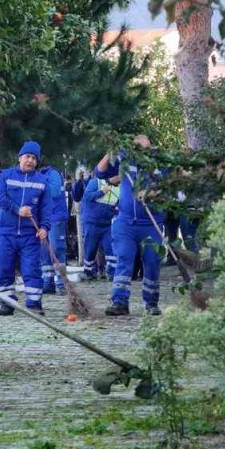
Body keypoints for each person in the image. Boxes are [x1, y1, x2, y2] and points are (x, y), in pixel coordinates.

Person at [96, 135, 163, 316]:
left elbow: (170, 190)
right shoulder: (125, 160)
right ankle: (119, 302)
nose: (141, 153)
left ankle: (151, 303)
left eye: (145, 149)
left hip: (151, 223)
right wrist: (112, 151)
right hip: (125, 223)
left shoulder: (160, 164)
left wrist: (152, 194)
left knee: (152, 261)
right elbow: (100, 172)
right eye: (137, 149)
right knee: (124, 259)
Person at [0, 141, 51, 315]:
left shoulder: (42, 181)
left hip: (29, 235)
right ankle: (6, 302)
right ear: (20, 158)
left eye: (34, 158)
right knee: (4, 266)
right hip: (6, 232)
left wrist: (45, 227)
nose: (30, 161)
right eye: (27, 157)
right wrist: (18, 210)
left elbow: (46, 208)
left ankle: (34, 303)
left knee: (31, 268)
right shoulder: (6, 176)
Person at [38, 163, 69, 295]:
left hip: (56, 217)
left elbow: (55, 192)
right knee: (44, 250)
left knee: (56, 248)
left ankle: (62, 284)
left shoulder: (53, 174)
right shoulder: (37, 175)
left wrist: (38, 185)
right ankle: (48, 282)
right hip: (42, 218)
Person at [78, 175, 117, 280]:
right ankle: (89, 272)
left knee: (110, 248)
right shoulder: (96, 182)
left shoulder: (120, 188)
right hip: (92, 222)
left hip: (107, 224)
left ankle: (113, 273)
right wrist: (102, 192)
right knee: (90, 249)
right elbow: (87, 196)